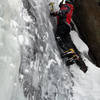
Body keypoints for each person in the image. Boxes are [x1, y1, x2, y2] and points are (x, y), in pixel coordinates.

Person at [50, 0, 88, 73]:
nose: (60, 5)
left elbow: (63, 12)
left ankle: (69, 51)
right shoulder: (70, 8)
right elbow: (63, 14)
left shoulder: (67, 6)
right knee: (66, 41)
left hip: (63, 24)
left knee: (58, 37)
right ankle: (73, 56)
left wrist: (56, 13)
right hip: (67, 26)